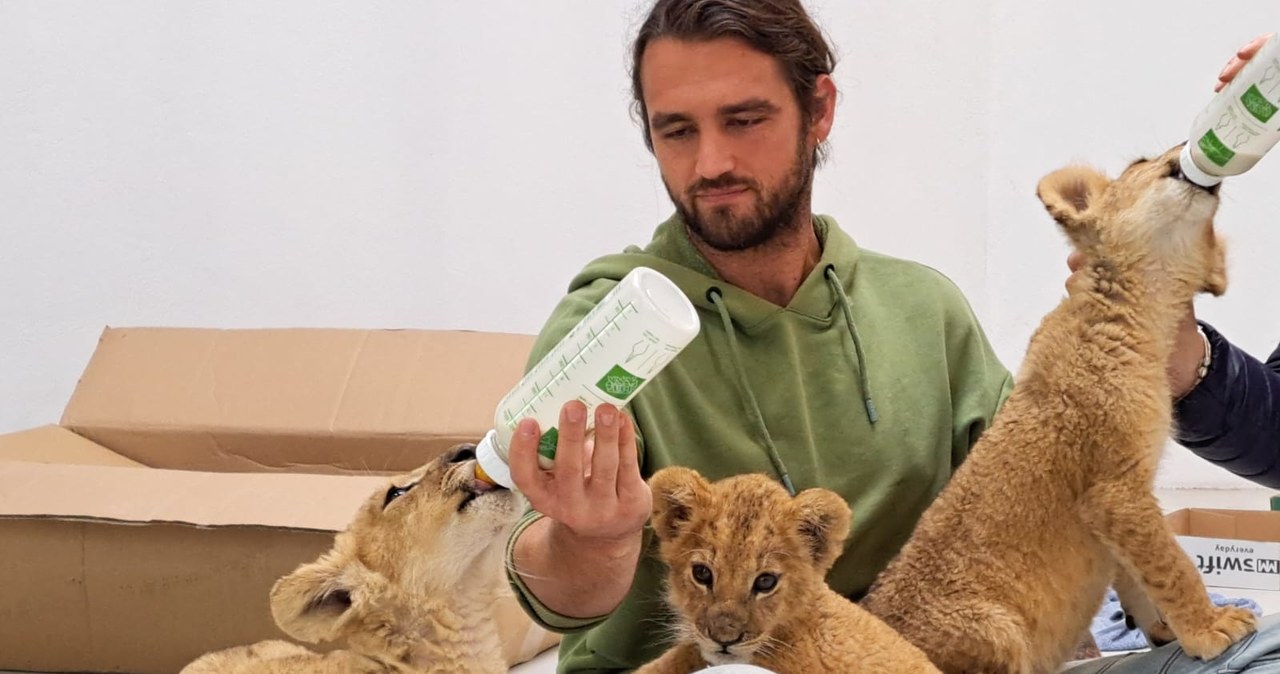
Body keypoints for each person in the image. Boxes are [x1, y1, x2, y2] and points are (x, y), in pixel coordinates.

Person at [499, 1, 1279, 670]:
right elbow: (545, 580)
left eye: (745, 120)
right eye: (676, 131)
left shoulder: (922, 309)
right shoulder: (610, 330)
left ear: (820, 110)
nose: (712, 162)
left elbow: (1049, 502)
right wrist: (593, 545)